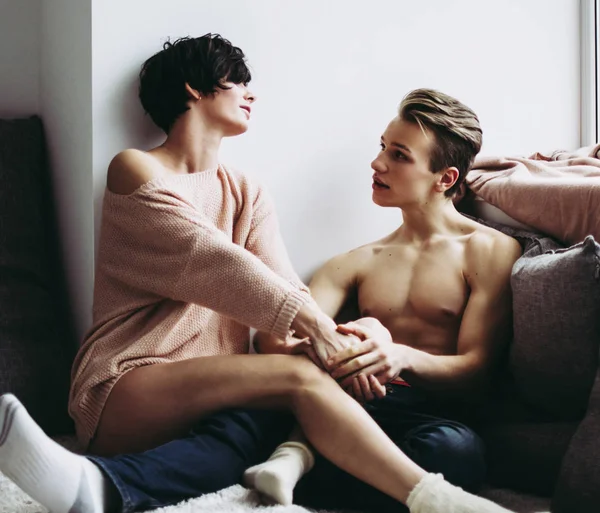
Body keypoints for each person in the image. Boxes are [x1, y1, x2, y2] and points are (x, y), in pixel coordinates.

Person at [0, 35, 516, 513]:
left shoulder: (247, 189)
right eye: (238, 81)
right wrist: (322, 333)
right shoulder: (136, 169)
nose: (252, 94)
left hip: (216, 398)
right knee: (297, 378)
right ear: (194, 88)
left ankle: (100, 487)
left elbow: (283, 289)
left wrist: (359, 343)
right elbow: (215, 264)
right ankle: (437, 501)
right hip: (128, 383)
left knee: (252, 435)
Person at [244, 88, 523, 512]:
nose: (377, 164)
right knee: (247, 421)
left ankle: (312, 466)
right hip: (349, 406)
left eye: (399, 155)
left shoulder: (489, 250)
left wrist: (398, 356)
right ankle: (307, 461)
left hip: (430, 418)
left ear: (445, 179)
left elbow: (476, 369)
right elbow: (273, 341)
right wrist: (347, 347)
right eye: (382, 148)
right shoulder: (353, 263)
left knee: (456, 452)